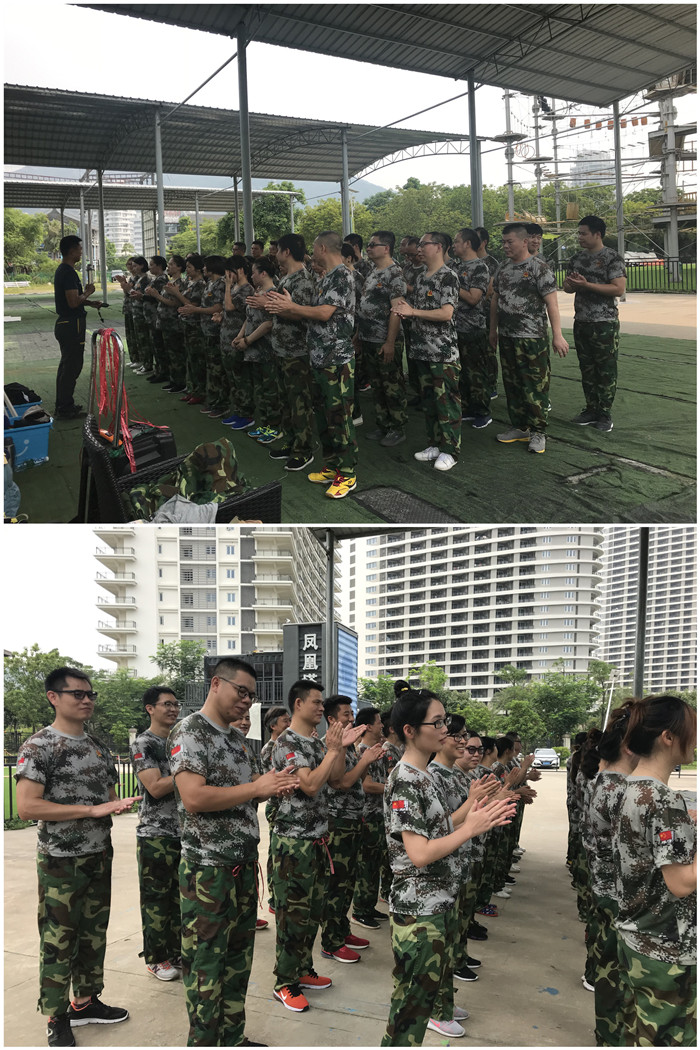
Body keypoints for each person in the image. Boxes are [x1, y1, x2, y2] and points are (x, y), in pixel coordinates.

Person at [168, 658, 300, 1046]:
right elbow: (193, 797)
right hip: (208, 871)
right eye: (241, 691)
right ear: (216, 684)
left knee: (238, 960)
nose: (246, 701)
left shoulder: (238, 741)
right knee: (206, 966)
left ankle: (232, 1037)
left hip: (241, 866)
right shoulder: (190, 731)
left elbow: (248, 788)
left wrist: (273, 784)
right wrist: (257, 788)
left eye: (251, 696)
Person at [381, 690, 516, 1045]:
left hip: (435, 901)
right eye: (437, 723)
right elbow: (419, 853)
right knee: (410, 1008)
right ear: (410, 730)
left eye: (445, 722)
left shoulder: (423, 775)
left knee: (419, 1001)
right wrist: (470, 828)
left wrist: (474, 811)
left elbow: (440, 828)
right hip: (418, 909)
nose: (446, 731)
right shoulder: (406, 779)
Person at [15, 667, 140, 1048]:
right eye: (77, 694)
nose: (86, 700)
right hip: (60, 861)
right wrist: (90, 811)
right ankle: (56, 1016)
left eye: (90, 694)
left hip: (98, 855)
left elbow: (105, 798)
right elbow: (27, 806)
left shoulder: (97, 746)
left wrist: (113, 805)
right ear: (53, 697)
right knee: (58, 939)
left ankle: (85, 1002)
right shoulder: (39, 746)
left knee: (93, 935)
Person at [269, 679, 365, 1012]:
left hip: (317, 839)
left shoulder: (314, 742)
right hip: (293, 843)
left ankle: (302, 969)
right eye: (316, 702)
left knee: (311, 913)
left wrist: (340, 748)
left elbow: (336, 779)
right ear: (298, 704)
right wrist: (334, 750)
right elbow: (309, 785)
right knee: (292, 916)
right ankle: (284, 982)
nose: (322, 708)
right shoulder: (287, 742)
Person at [611, 694, 697, 1047]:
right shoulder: (664, 800)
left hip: (638, 934)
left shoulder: (631, 787)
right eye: (692, 729)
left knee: (637, 1032)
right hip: (665, 947)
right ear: (668, 736)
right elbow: (682, 883)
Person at [266, 231, 357, 500]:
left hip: (336, 359)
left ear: (322, 248)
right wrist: (288, 308)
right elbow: (313, 315)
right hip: (319, 357)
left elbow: (325, 313)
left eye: (314, 248)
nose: (311, 252)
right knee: (324, 416)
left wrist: (291, 306)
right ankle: (332, 465)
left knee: (339, 417)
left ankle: (347, 473)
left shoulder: (342, 275)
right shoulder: (325, 277)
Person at [580, 702, 638, 1045]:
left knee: (608, 972)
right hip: (617, 896)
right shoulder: (619, 789)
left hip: (607, 890)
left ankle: (608, 1036)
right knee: (615, 979)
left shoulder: (609, 782)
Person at [490, 222, 569, 455]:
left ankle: (538, 431)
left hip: (532, 337)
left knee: (534, 385)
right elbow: (495, 299)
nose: (505, 246)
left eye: (509, 242)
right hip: (507, 336)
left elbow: (552, 303)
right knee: (512, 384)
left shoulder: (539, 268)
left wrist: (557, 335)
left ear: (524, 242)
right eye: (503, 242)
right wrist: (493, 331)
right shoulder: (503, 268)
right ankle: (520, 427)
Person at [319, 695, 384, 963]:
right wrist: (364, 761)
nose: (351, 718)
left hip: (353, 822)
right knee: (336, 885)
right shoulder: (330, 747)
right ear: (331, 719)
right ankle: (331, 942)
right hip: (338, 824)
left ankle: (342, 931)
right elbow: (342, 783)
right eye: (345, 714)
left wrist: (362, 757)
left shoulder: (349, 747)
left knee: (348, 883)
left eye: (351, 713)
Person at [392, 232, 461, 472]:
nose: (419, 248)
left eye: (424, 244)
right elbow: (420, 310)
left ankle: (450, 450)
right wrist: (407, 310)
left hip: (442, 352)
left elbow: (446, 313)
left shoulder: (448, 276)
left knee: (446, 402)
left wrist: (413, 312)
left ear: (439, 247)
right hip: (421, 350)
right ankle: (434, 443)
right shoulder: (422, 277)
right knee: (430, 402)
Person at [130, 686, 183, 982]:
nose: (173, 709)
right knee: (156, 900)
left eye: (176, 704)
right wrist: (191, 773)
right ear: (150, 708)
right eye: (166, 704)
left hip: (183, 832)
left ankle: (175, 951)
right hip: (156, 834)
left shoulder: (179, 740)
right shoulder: (144, 743)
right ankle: (156, 957)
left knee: (180, 899)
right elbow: (155, 787)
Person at [563, 215, 626, 433]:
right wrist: (572, 284)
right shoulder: (576, 259)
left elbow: (618, 289)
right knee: (587, 368)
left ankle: (604, 413)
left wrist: (586, 284)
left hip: (604, 323)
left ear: (597, 234)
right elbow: (567, 288)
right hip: (582, 321)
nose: (579, 237)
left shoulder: (612, 258)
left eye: (583, 233)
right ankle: (591, 409)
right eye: (579, 233)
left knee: (605, 370)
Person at [264, 232, 317, 472]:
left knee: (299, 403)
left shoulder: (303, 280)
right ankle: (292, 441)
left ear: (286, 252)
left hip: (297, 351)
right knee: (286, 400)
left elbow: (302, 314)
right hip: (282, 349)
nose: (275, 254)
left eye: (277, 250)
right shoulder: (287, 278)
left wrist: (273, 307)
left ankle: (304, 449)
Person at [357, 231, 408, 447]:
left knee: (391, 385)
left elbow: (397, 310)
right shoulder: (373, 271)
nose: (368, 248)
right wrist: (358, 336)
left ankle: (397, 427)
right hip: (368, 338)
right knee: (377, 385)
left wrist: (390, 342)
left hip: (384, 339)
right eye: (368, 245)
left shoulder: (395, 273)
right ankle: (383, 423)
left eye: (372, 245)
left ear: (386, 248)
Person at [53, 235, 104, 419]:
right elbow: (73, 302)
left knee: (67, 365)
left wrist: (89, 302)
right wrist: (88, 293)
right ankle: (65, 408)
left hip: (67, 323)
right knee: (72, 366)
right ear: (72, 250)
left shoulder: (64, 270)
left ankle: (64, 404)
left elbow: (73, 300)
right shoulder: (68, 272)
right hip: (71, 324)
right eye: (80, 249)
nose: (81, 253)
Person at [351, 706, 390, 930]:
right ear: (368, 726)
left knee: (375, 865)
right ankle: (360, 910)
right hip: (367, 816)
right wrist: (391, 788)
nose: (382, 726)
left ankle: (369, 905)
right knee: (366, 865)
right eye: (378, 722)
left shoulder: (377, 751)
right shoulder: (361, 752)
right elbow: (366, 785)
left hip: (379, 816)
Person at [234, 259, 278, 444]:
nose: (251, 276)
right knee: (260, 390)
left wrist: (247, 340)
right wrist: (240, 336)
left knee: (270, 391)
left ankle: (274, 427)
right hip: (253, 351)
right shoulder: (257, 292)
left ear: (263, 273)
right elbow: (249, 317)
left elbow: (269, 323)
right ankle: (265, 424)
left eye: (253, 272)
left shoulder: (273, 294)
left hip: (266, 350)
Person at [452, 227, 492, 430]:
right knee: (462, 373)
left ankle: (482, 412)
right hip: (455, 328)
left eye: (457, 241)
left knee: (476, 372)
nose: (454, 245)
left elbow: (474, 298)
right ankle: (467, 407)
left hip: (473, 328)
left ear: (467, 244)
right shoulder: (456, 267)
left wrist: (452, 284)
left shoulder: (479, 268)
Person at [260, 706, 292, 914]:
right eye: (285, 721)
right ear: (273, 726)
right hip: (276, 805)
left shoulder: (285, 744)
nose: (289, 724)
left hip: (285, 805)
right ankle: (274, 896)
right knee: (275, 852)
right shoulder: (270, 749)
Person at [219, 254, 255, 430]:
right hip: (227, 338)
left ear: (240, 270)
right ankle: (239, 410)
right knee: (232, 379)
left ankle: (246, 413)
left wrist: (227, 286)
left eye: (229, 271)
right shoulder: (235, 288)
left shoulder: (247, 289)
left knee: (241, 379)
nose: (227, 276)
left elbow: (230, 307)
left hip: (237, 339)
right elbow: (226, 310)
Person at [168, 254, 207, 405]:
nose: (187, 270)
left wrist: (177, 294)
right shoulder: (190, 283)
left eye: (190, 267)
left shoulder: (200, 284)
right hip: (186, 324)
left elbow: (192, 305)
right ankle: (192, 389)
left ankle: (200, 391)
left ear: (198, 269)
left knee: (197, 360)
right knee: (190, 359)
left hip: (195, 326)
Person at [148, 254, 188, 393]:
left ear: (179, 267)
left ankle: (180, 381)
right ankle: (173, 379)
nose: (168, 267)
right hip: (165, 322)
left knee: (176, 353)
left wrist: (157, 296)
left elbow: (175, 303)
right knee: (169, 352)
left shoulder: (180, 283)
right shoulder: (171, 282)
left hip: (173, 323)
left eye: (171, 264)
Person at [141, 256, 170, 384]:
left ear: (159, 266)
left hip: (156, 316)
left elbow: (156, 297)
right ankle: (159, 370)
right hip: (152, 316)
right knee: (156, 345)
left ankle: (163, 372)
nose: (150, 267)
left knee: (159, 345)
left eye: (152, 264)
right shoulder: (155, 279)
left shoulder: (161, 279)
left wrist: (142, 296)